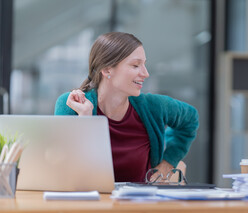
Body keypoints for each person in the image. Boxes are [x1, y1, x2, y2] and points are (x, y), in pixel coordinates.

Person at [54, 32, 199, 185]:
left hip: (140, 207)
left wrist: (167, 162)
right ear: (107, 69)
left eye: (144, 64)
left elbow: (190, 118)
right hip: (89, 206)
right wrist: (85, 120)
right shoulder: (72, 104)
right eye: (136, 65)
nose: (146, 73)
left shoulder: (153, 107)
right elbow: (65, 173)